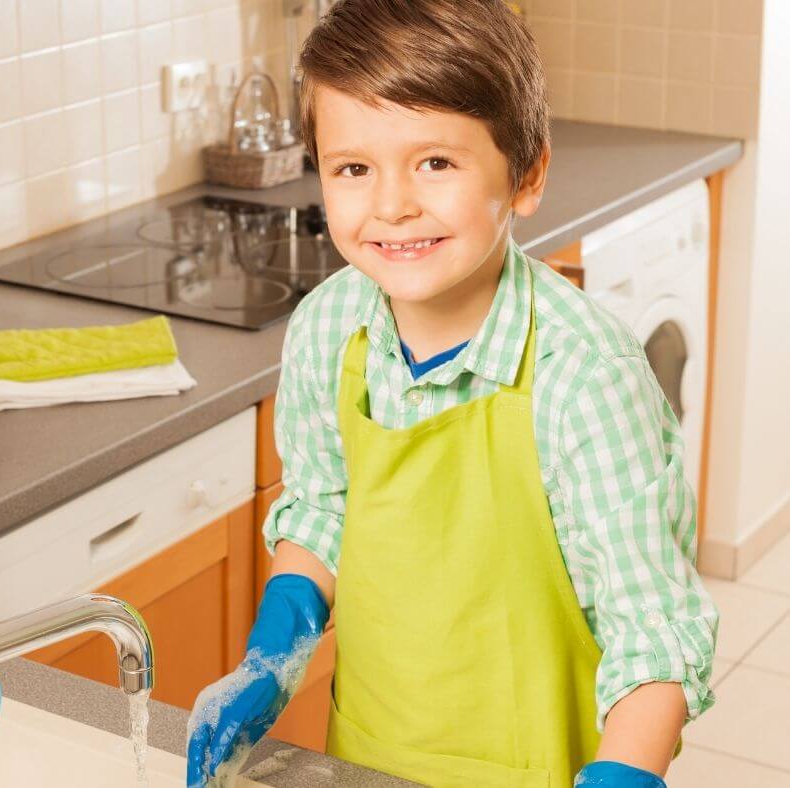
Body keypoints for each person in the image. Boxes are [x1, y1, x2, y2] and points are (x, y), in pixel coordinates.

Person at [186, 1, 719, 786]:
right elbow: (326, 508)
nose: (392, 204)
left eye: (435, 162)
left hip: (545, 764)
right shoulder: (327, 331)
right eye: (354, 168)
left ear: (527, 174)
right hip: (372, 749)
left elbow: (654, 631)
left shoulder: (583, 375)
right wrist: (273, 652)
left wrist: (624, 777)